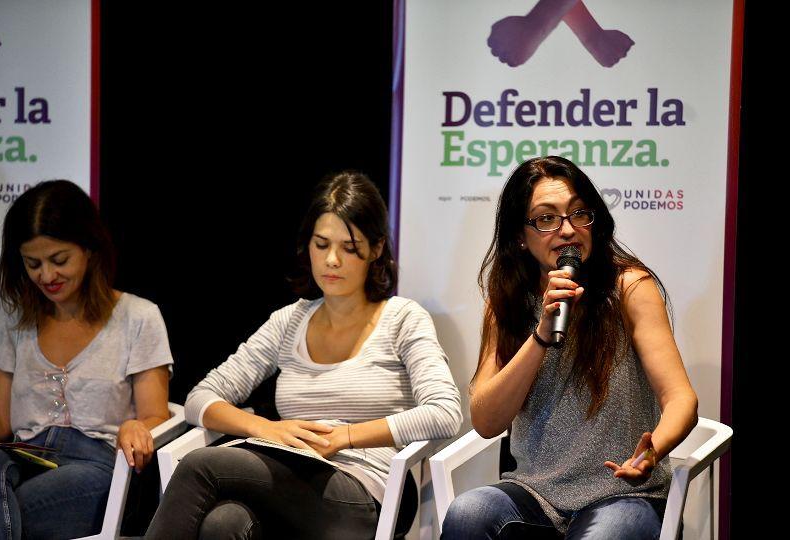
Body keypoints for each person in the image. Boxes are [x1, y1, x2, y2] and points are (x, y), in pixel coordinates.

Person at [145, 171, 462, 539]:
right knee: (224, 523)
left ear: (375, 250)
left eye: (349, 246)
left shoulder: (403, 318)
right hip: (288, 478)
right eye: (321, 243)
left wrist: (345, 436)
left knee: (200, 465)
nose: (331, 260)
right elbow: (200, 399)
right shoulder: (290, 321)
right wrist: (265, 428)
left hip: (369, 489)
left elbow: (444, 413)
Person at [442, 156, 698, 539]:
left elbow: (681, 399)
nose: (567, 230)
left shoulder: (628, 287)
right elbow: (486, 420)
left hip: (622, 493)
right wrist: (541, 334)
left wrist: (653, 450)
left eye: (579, 214)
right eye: (547, 219)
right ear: (519, 235)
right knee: (468, 512)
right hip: (534, 493)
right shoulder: (508, 303)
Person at [0, 180, 174, 539]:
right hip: (23, 456)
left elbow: (156, 414)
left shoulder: (138, 317)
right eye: (32, 263)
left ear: (89, 249)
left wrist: (138, 426)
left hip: (96, 465)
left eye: (59, 260)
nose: (46, 276)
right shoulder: (19, 322)